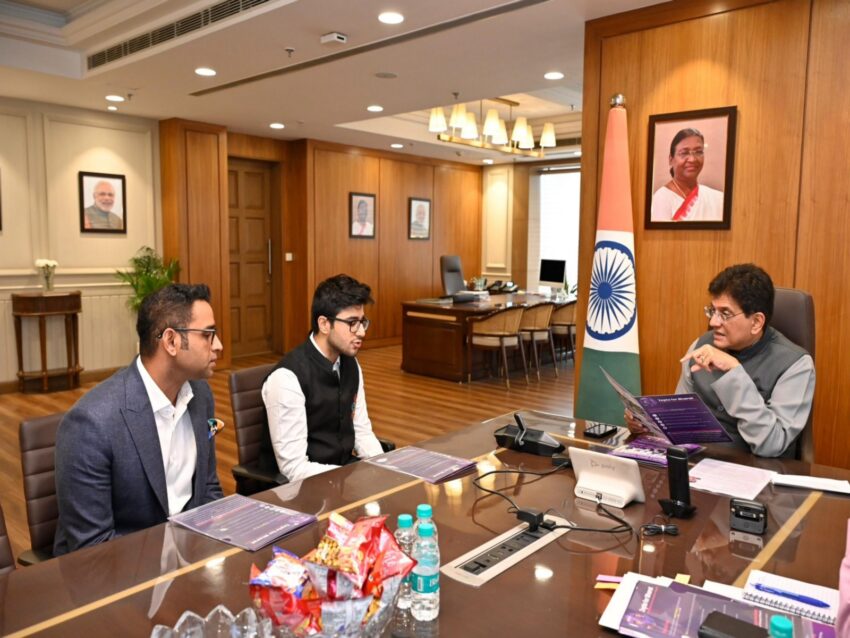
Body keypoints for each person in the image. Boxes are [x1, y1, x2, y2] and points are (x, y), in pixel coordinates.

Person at [54, 283, 224, 555]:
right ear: (171, 341)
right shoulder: (91, 424)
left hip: (188, 556)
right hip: (118, 569)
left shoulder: (200, 395)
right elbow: (92, 548)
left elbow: (208, 488)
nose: (218, 345)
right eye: (207, 335)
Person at [626, 264, 815, 457]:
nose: (713, 322)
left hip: (754, 466)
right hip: (697, 461)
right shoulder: (701, 346)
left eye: (725, 314)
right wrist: (647, 424)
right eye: (712, 311)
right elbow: (680, 420)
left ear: (756, 322)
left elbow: (771, 445)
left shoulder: (795, 364)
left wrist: (734, 372)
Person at [262, 274, 384, 482]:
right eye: (352, 323)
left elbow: (361, 431)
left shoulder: (350, 364)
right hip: (302, 488)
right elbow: (294, 468)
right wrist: (346, 479)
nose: (361, 332)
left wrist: (385, 468)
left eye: (362, 322)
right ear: (324, 324)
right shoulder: (287, 378)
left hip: (341, 477)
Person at [650, 128, 724, 222]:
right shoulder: (661, 199)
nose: (692, 159)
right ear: (671, 160)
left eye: (699, 152)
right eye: (684, 153)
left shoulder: (718, 199)